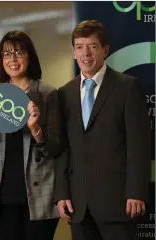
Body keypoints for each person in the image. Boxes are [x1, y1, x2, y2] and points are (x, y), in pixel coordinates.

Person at [55, 20, 151, 240]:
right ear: (73, 52)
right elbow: (63, 149)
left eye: (93, 46)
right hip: (79, 207)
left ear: (105, 51)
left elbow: (139, 146)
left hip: (118, 204)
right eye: (79, 46)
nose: (85, 53)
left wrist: (136, 192)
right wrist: (62, 194)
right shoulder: (65, 93)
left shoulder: (127, 87)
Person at [0, 30, 63, 240]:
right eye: (6, 54)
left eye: (19, 53)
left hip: (39, 193)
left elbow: (55, 148)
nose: (12, 59)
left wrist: (35, 129)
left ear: (30, 56)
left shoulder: (48, 94)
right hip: (1, 195)